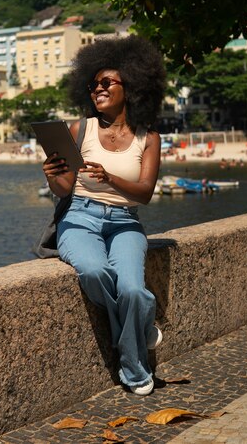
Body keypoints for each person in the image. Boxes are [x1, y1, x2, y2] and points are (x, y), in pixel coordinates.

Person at [42, 35, 166, 396]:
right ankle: (139, 338)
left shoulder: (150, 137)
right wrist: (52, 175)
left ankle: (132, 358)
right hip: (80, 218)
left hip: (125, 222)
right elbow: (64, 189)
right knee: (96, 272)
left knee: (131, 288)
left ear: (133, 87)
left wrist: (108, 176)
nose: (98, 88)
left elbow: (145, 192)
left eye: (106, 82)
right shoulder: (82, 129)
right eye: (93, 83)